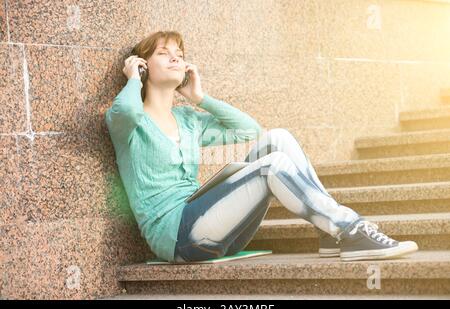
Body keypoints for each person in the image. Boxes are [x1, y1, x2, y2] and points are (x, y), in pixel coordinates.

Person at [105, 31, 418, 263]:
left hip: (216, 227)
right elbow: (129, 110)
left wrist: (200, 98)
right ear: (144, 66)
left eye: (180, 52)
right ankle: (349, 228)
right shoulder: (126, 122)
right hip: (179, 238)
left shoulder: (188, 120)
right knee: (272, 166)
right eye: (164, 53)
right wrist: (134, 77)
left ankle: (328, 232)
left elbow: (249, 131)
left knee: (278, 138)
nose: (177, 58)